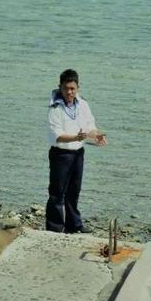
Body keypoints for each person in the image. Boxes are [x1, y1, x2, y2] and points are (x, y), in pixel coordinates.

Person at [45, 68, 106, 234]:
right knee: (57, 194)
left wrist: (97, 136)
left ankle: (73, 226)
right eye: (66, 88)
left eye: (72, 88)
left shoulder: (83, 104)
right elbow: (56, 136)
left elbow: (89, 127)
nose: (69, 92)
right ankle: (54, 228)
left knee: (74, 191)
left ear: (78, 87)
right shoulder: (55, 108)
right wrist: (76, 138)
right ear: (60, 87)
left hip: (78, 153)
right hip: (61, 154)